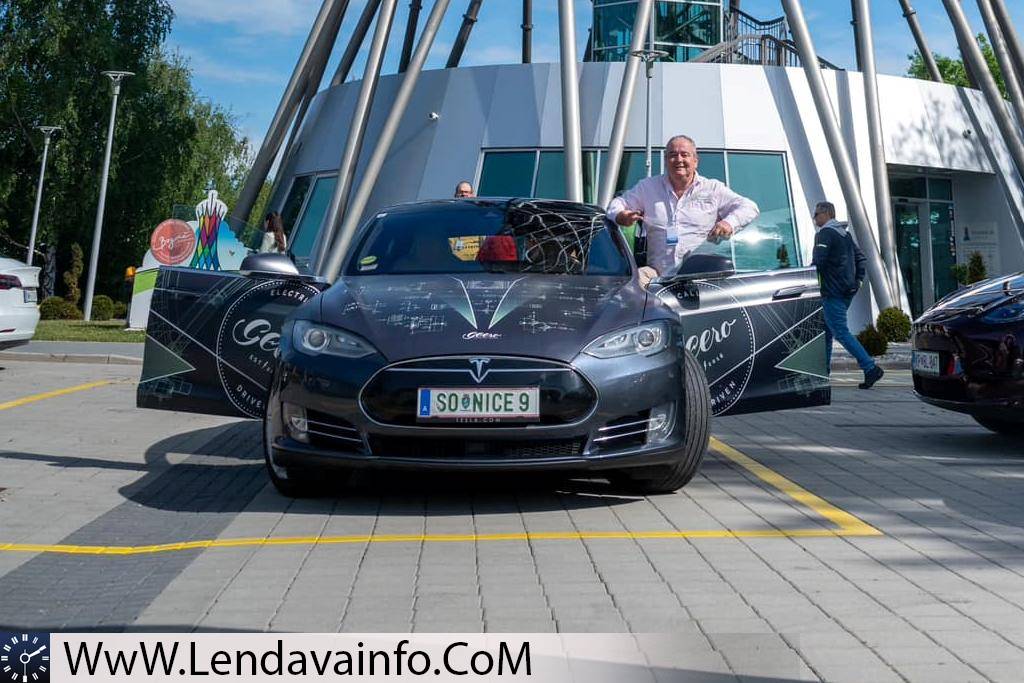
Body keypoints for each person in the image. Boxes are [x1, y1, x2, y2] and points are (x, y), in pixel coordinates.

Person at [607, 135, 759, 286]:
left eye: (684, 155)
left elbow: (749, 207)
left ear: (695, 161)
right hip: (658, 275)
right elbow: (617, 204)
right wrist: (621, 215)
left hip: (701, 276)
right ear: (666, 160)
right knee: (630, 286)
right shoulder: (647, 187)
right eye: (673, 155)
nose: (678, 159)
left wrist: (728, 223)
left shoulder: (713, 188)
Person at [812, 201, 884, 389]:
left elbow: (818, 262)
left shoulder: (825, 234)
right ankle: (822, 376)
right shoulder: (845, 235)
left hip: (832, 292)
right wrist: (857, 282)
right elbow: (861, 258)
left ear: (827, 214)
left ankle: (870, 368)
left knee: (840, 332)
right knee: (826, 332)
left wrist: (807, 280)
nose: (814, 218)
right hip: (845, 292)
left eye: (816, 214)